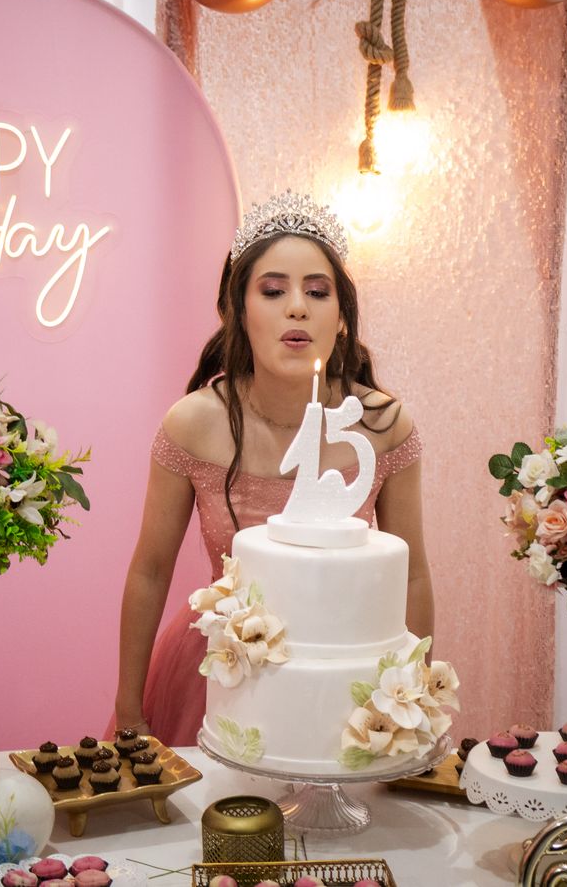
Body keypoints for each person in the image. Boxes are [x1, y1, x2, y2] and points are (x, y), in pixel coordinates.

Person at [113, 191, 434, 745]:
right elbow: (150, 571)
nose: (297, 307)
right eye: (273, 290)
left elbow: (412, 575)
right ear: (238, 310)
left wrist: (416, 700)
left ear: (341, 317)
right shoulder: (194, 423)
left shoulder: (382, 425)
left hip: (345, 684)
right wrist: (127, 709)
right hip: (220, 671)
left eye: (318, 292)